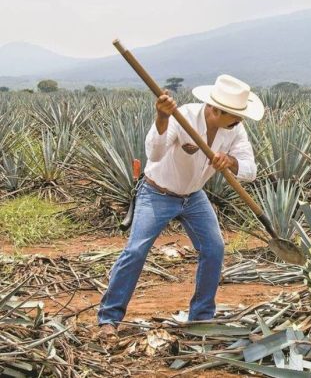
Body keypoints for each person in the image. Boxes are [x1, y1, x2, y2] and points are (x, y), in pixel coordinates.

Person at [96, 74, 264, 340]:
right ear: (215, 109)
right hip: (157, 192)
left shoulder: (235, 130)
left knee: (214, 248)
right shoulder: (182, 116)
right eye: (234, 114)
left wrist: (230, 161)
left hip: (194, 196)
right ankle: (109, 319)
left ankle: (200, 319)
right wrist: (162, 119)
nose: (239, 120)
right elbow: (155, 153)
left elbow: (250, 170)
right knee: (136, 250)